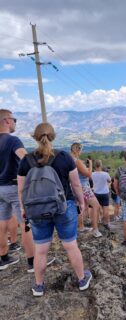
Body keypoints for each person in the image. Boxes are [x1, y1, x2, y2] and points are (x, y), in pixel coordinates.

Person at [17, 123, 92, 296]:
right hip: (64, 207)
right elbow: (75, 184)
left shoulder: (26, 160)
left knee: (41, 250)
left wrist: (23, 208)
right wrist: (82, 202)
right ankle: (82, 280)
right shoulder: (64, 157)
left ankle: (39, 286)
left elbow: (21, 189)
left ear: (35, 137)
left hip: (36, 211)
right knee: (71, 246)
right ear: (53, 136)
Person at [0, 109, 35, 271]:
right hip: (13, 187)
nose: (15, 122)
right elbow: (26, 159)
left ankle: (3, 258)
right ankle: (32, 261)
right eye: (14, 119)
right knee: (25, 222)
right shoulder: (13, 141)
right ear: (7, 121)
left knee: (2, 222)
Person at [70, 143, 102, 238]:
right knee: (96, 206)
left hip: (73, 187)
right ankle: (95, 229)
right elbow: (88, 174)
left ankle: (81, 227)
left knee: (80, 207)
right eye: (80, 150)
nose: (81, 152)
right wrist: (91, 164)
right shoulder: (77, 161)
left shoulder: (69, 159)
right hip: (83, 187)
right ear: (76, 150)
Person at [92, 160, 111, 229]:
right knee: (106, 209)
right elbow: (109, 181)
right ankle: (106, 223)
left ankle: (97, 222)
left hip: (96, 193)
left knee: (96, 209)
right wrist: (108, 185)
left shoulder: (92, 174)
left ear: (95, 166)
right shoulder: (105, 174)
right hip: (105, 193)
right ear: (101, 165)